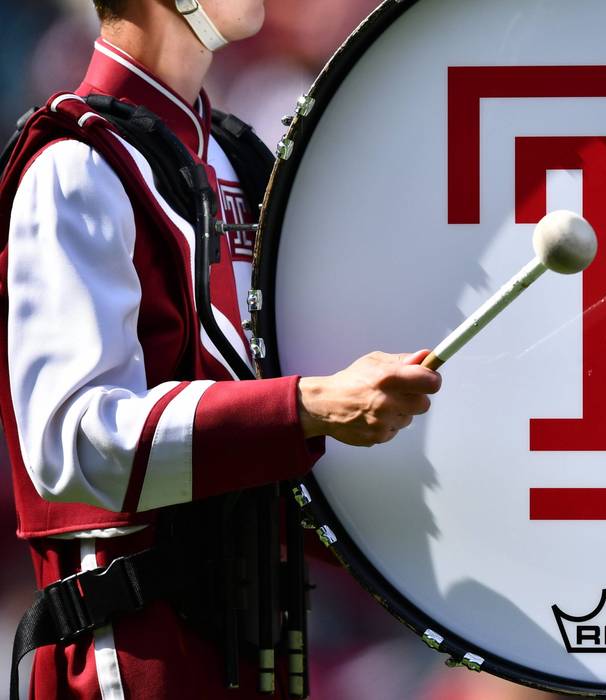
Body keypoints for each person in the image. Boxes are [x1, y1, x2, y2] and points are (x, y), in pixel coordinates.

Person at [0, 0, 442, 697]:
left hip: (261, 644)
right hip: (137, 658)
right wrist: (303, 407)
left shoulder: (236, 156)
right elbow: (69, 446)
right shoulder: (74, 166)